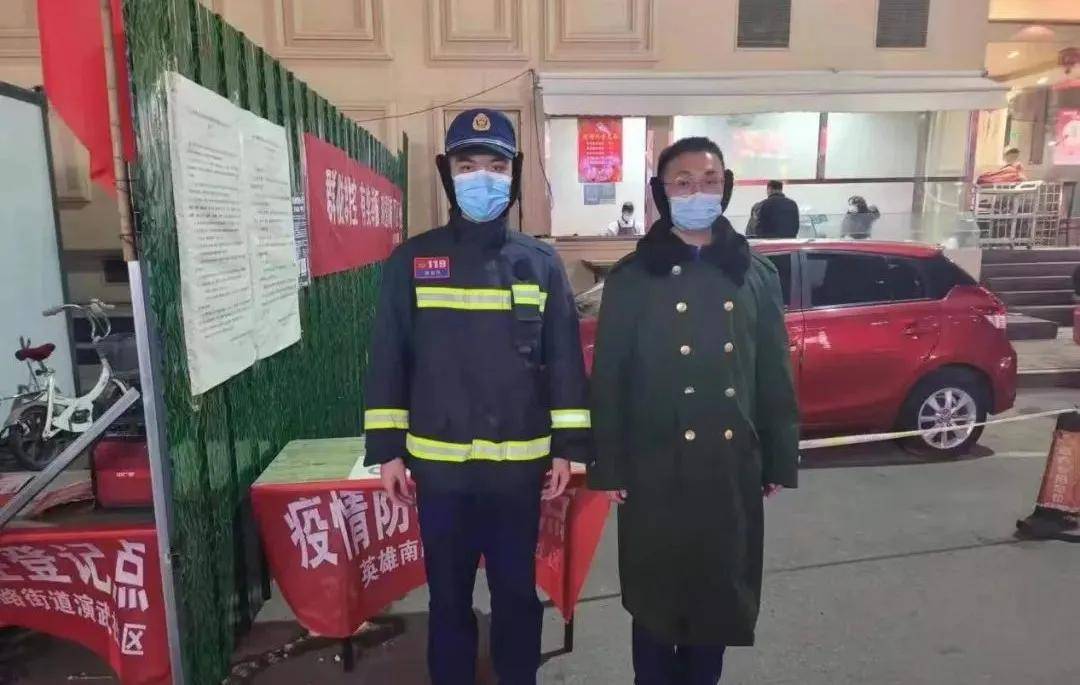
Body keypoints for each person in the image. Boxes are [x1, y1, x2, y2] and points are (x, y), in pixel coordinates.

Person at [363, 108, 591, 685]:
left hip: (519, 472)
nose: (482, 177)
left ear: (513, 175)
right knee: (448, 599)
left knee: (516, 595)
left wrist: (568, 448)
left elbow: (565, 360)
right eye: (468, 166)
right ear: (448, 174)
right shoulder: (413, 261)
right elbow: (390, 357)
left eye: (495, 165)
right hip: (440, 473)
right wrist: (388, 450)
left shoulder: (540, 263)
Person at [588, 136, 799, 685]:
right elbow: (610, 377)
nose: (697, 192)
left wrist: (778, 457)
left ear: (725, 188)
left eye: (709, 181)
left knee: (716, 595)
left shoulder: (755, 274)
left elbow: (772, 373)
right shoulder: (633, 278)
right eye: (682, 182)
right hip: (653, 467)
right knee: (656, 599)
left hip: (728, 468)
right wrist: (608, 466)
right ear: (661, 192)